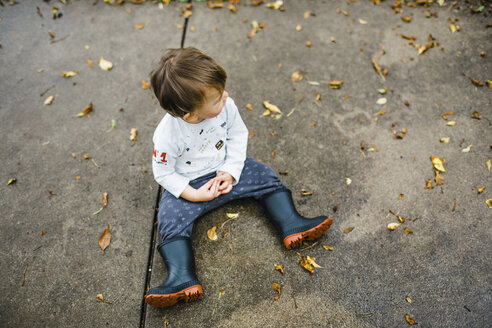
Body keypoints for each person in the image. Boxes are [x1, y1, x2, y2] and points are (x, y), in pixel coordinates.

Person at [145, 47, 333, 308]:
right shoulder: (168, 135)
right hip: (190, 183)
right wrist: (193, 194)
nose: (226, 97)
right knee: (168, 218)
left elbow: (237, 135)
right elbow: (163, 172)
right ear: (189, 114)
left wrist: (231, 171)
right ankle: (181, 277)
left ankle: (292, 224)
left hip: (226, 171)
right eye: (218, 98)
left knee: (264, 175)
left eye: (222, 91)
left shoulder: (226, 106)